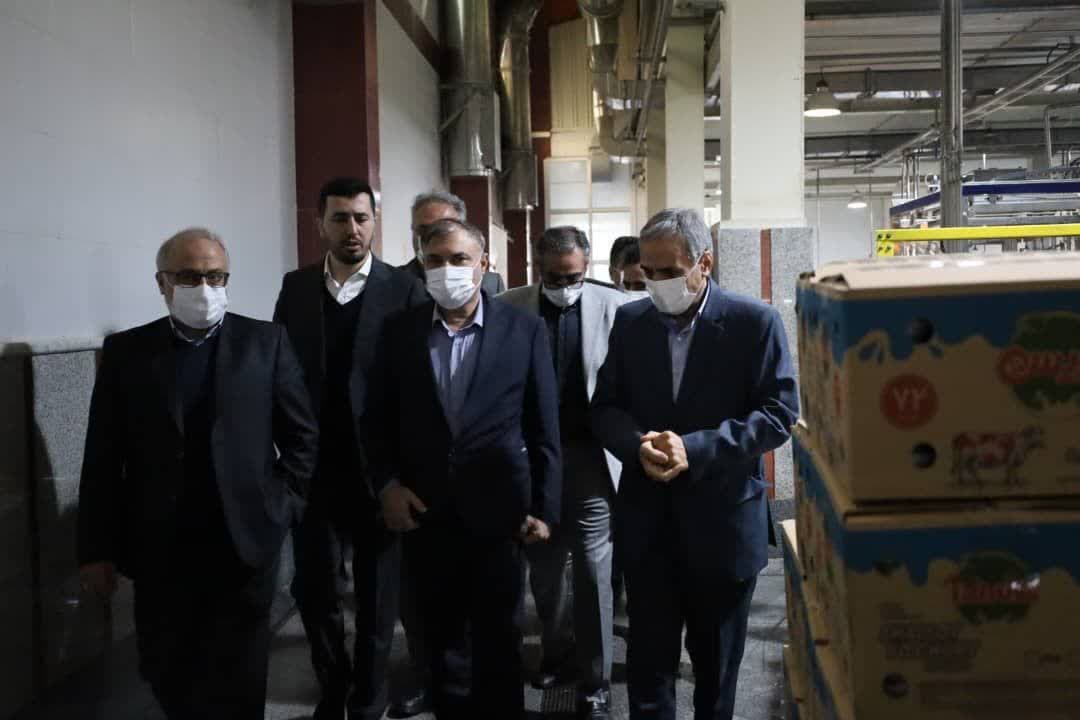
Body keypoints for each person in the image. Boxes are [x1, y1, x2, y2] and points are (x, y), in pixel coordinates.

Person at [78, 228, 319, 720]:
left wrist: (280, 506)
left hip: (243, 545)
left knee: (240, 678)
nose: (204, 288)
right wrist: (95, 549)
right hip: (160, 548)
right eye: (188, 277)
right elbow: (102, 455)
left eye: (215, 276)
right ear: (162, 283)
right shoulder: (127, 353)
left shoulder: (265, 343)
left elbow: (302, 437)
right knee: (167, 671)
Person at [591, 208, 798, 720]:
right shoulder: (631, 323)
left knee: (716, 675)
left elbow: (779, 414)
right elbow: (606, 408)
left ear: (704, 263)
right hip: (649, 527)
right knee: (648, 673)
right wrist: (637, 445)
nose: (655, 283)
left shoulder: (754, 323)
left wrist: (698, 448)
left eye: (669, 271)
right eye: (648, 272)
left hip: (723, 527)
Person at [368, 218, 561, 720]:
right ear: (421, 265)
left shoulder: (523, 329)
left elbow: (543, 425)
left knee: (500, 641)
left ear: (484, 264)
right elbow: (376, 418)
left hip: (501, 512)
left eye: (459, 259)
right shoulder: (399, 331)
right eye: (435, 260)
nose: (447, 269)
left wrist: (545, 507)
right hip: (425, 511)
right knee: (440, 644)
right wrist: (386, 485)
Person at [273, 177, 426, 720]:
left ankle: (368, 694)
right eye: (340, 218)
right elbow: (280, 373)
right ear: (320, 224)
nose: (352, 229)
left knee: (379, 595)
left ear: (374, 222)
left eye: (361, 218)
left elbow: (416, 389)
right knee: (313, 590)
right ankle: (333, 684)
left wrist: (402, 474)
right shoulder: (296, 288)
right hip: (312, 470)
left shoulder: (404, 290)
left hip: (378, 470)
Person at [498, 227, 629, 720]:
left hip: (591, 458)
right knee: (546, 569)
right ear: (537, 268)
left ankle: (595, 682)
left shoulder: (616, 307)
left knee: (594, 570)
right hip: (534, 462)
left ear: (587, 266)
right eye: (554, 277)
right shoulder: (508, 307)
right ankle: (556, 652)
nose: (565, 286)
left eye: (573, 276)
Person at [401, 190, 505, 296]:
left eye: (443, 229)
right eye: (423, 229)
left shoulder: (490, 284)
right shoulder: (394, 283)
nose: (431, 237)